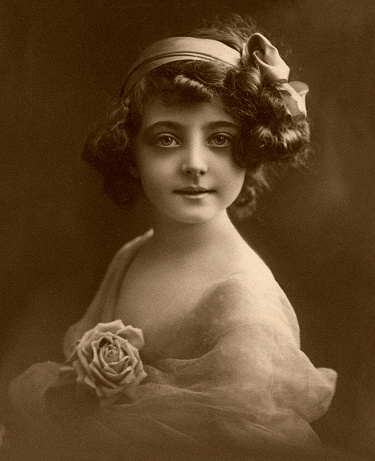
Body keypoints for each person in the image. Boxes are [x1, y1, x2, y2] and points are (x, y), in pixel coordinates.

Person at [7, 14, 337, 461]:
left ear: (250, 149)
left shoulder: (243, 303)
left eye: (220, 139)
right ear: (130, 151)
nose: (195, 163)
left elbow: (239, 445)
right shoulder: (135, 253)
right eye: (166, 139)